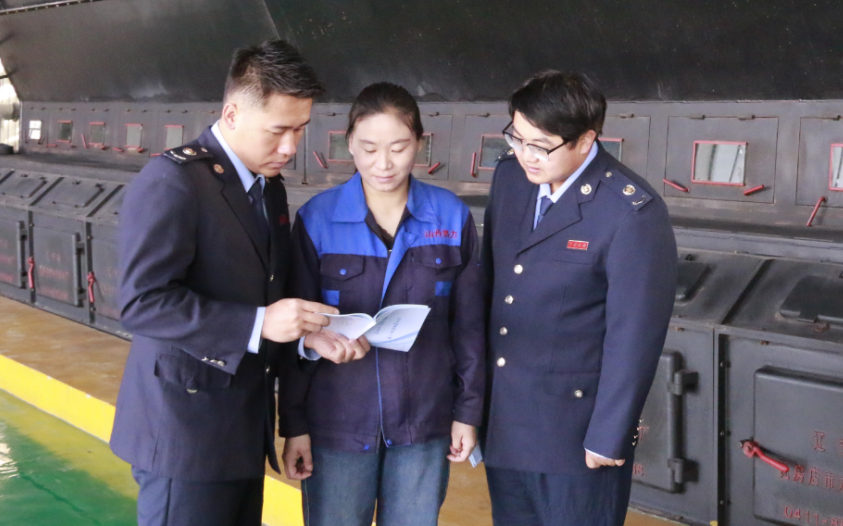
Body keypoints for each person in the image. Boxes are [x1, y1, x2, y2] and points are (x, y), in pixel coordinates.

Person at [110, 40, 368, 526]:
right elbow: (142, 303)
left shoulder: (267, 188)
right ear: (231, 114)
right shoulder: (175, 181)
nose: (290, 147)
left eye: (300, 129)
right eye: (278, 130)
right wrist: (258, 323)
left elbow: (267, 292)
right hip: (185, 436)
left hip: (243, 430)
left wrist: (305, 335)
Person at [279, 83, 486, 526]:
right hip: (337, 425)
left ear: (420, 143)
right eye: (370, 148)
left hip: (423, 424)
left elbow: (468, 327)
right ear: (350, 143)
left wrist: (467, 414)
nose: (384, 163)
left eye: (399, 147)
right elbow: (296, 334)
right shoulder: (317, 220)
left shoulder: (451, 217)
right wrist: (293, 425)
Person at [480, 71, 677, 526]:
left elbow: (634, 336)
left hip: (576, 435)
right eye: (516, 138)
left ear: (586, 139)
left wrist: (609, 434)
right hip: (506, 421)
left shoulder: (629, 212)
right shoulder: (510, 179)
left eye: (540, 145)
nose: (525, 154)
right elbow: (492, 287)